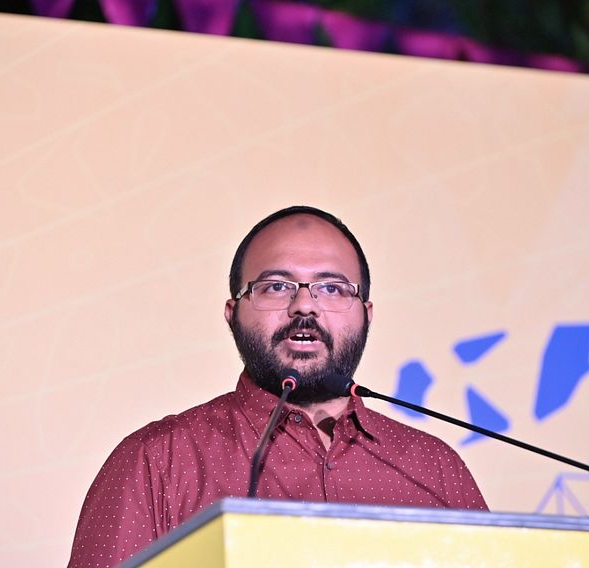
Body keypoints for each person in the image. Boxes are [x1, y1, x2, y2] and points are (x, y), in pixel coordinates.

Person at [68, 206, 487, 567]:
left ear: (366, 314)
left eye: (332, 288)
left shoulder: (436, 469)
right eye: (276, 286)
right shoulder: (157, 461)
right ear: (233, 313)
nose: (304, 305)